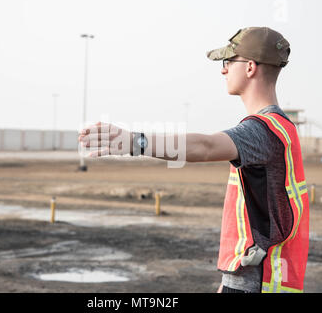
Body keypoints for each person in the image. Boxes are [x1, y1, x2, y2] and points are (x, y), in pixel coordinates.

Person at [78, 27, 309, 293]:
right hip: (254, 276)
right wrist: (227, 282)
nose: (223, 71)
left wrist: (134, 142)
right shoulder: (283, 128)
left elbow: (206, 146)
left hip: (256, 283)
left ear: (249, 67)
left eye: (227, 62)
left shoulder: (262, 131)